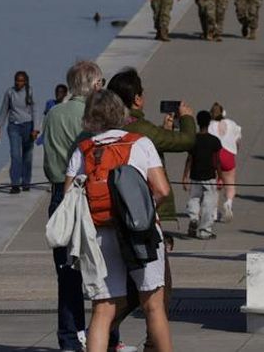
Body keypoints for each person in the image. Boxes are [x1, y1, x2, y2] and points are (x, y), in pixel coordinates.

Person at [64, 90, 173, 352]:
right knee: (153, 305)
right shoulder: (140, 143)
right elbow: (162, 190)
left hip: (101, 235)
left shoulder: (83, 151)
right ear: (120, 112)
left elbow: (70, 198)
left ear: (89, 118)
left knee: (103, 309)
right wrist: (139, 214)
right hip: (140, 233)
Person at [104, 70, 196, 349]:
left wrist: (162, 130)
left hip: (112, 216)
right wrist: (187, 118)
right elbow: (186, 142)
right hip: (143, 218)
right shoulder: (141, 131)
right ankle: (152, 345)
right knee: (159, 291)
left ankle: (101, 334)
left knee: (126, 289)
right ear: (137, 99)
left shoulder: (108, 130)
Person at [42, 60, 105, 352]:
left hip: (58, 194)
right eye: (101, 83)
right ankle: (105, 336)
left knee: (67, 275)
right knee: (102, 271)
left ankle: (69, 339)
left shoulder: (53, 113)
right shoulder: (93, 116)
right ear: (93, 85)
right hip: (88, 194)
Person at [0, 71, 39, 194]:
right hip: (14, 127)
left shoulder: (30, 92)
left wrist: (35, 129)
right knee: (15, 155)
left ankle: (26, 182)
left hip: (28, 127)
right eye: (17, 80)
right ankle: (15, 184)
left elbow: (35, 110)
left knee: (27, 156)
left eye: (21, 81)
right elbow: (4, 109)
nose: (18, 83)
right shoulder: (10, 92)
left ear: (25, 82)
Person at [183, 112, 222, 240]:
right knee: (209, 204)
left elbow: (189, 159)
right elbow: (216, 161)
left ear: (198, 123)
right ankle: (204, 231)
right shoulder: (214, 141)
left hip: (195, 176)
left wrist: (185, 176)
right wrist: (220, 177)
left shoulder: (193, 140)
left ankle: (194, 218)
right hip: (209, 176)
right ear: (209, 122)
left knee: (194, 199)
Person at [209, 102, 242, 222]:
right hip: (228, 155)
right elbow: (238, 140)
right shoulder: (231, 124)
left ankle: (213, 212)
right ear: (224, 113)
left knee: (215, 185)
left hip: (214, 156)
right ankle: (228, 202)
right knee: (230, 183)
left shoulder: (209, 125)